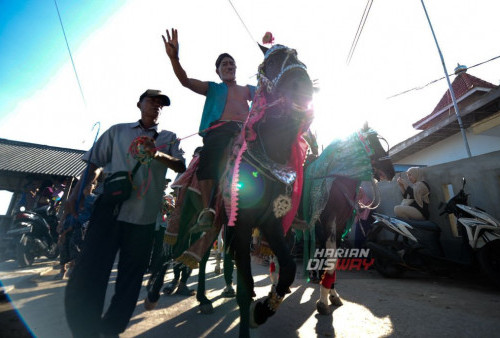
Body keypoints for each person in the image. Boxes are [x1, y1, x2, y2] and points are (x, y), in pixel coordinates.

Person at [64, 89, 186, 338]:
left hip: (143, 219)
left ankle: (111, 329)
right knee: (90, 273)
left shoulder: (169, 137)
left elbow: (181, 165)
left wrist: (157, 153)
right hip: (110, 211)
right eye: (151, 101)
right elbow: (94, 163)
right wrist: (79, 191)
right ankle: (85, 329)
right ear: (139, 104)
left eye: (161, 104)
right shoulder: (117, 131)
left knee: (130, 280)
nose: (156, 106)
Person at [163, 28, 255, 231]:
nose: (229, 66)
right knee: (207, 158)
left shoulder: (249, 90)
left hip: (247, 133)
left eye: (231, 63)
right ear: (218, 71)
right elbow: (185, 81)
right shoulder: (213, 87)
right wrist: (174, 59)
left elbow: (269, 97)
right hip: (219, 132)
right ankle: (206, 211)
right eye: (224, 64)